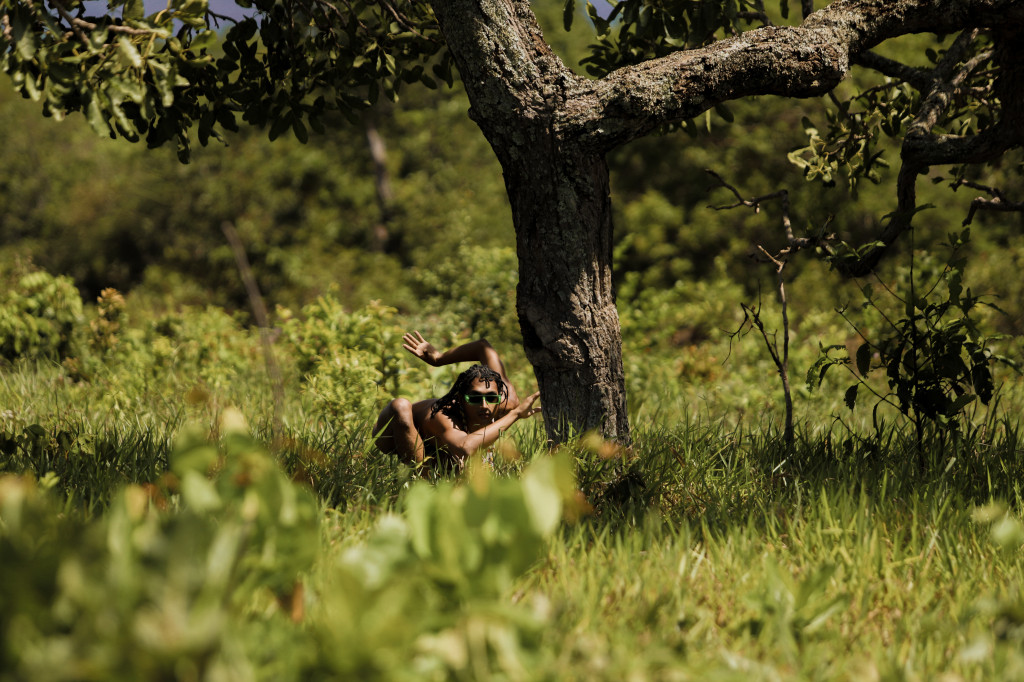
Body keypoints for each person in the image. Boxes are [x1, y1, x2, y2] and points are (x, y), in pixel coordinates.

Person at [372, 331, 541, 472]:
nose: (484, 405)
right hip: (392, 434)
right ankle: (421, 480)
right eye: (474, 398)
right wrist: (516, 415)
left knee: (456, 470)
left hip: (441, 441)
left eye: (490, 398)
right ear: (460, 399)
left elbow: (483, 347)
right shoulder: (444, 416)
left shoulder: (506, 401)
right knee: (400, 406)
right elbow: (465, 448)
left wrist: (439, 358)